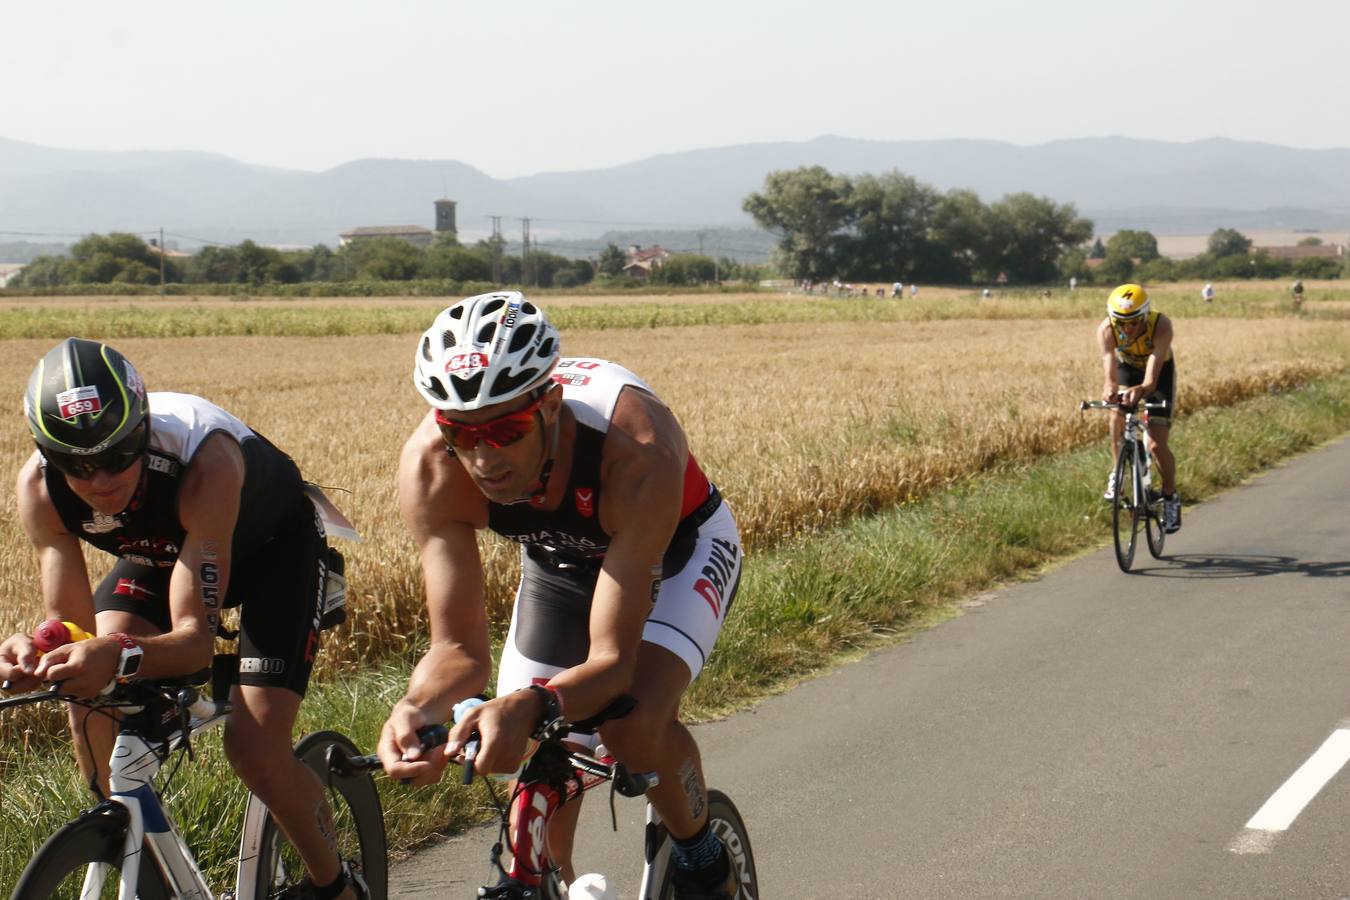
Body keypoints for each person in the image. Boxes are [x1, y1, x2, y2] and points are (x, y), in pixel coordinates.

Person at [379, 292, 743, 898]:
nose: (483, 456)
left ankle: (704, 855)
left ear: (550, 405)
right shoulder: (432, 469)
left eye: (505, 429)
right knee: (538, 762)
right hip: (560, 561)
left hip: (678, 549)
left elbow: (611, 665)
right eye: (459, 432)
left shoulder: (637, 451)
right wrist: (419, 707)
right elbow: (457, 650)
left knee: (626, 722)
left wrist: (532, 704)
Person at [0, 338, 364, 900]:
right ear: (47, 455)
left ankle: (337, 886)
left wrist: (120, 652)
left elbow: (194, 642)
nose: (100, 481)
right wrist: (46, 655)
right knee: (87, 701)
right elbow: (71, 632)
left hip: (272, 553)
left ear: (143, 429)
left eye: (120, 455)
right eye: (78, 465)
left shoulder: (204, 460)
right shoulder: (40, 489)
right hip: (165, 553)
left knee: (255, 750)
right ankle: (133, 849)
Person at [1096, 284, 1181, 532]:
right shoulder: (1106, 330)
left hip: (1158, 371)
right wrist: (1110, 387)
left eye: (1134, 322)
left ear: (1145, 316)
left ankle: (1170, 497)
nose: (1127, 328)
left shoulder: (1162, 326)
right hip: (1129, 369)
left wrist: (1142, 391)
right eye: (1121, 323)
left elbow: (1151, 381)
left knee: (1156, 443)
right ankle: (1118, 474)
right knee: (1116, 416)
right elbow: (1109, 365)